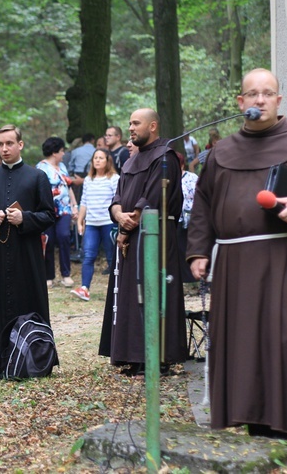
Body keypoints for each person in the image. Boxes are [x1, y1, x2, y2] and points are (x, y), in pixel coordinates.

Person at [187, 68, 287, 442]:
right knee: (242, 343)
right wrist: (197, 251)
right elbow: (203, 205)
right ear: (240, 103)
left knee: (286, 337)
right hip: (234, 265)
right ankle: (249, 416)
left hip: (285, 259)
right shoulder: (221, 153)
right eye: (252, 94)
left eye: (267, 93)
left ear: (278, 101)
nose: (259, 100)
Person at [98, 108, 187, 376]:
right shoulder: (129, 161)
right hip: (131, 235)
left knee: (153, 291)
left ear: (153, 126)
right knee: (129, 295)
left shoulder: (165, 157)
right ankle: (134, 356)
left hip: (156, 236)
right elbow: (117, 197)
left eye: (136, 123)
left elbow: (151, 199)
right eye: (130, 123)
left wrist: (127, 226)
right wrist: (117, 214)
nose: (131, 128)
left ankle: (157, 357)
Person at [0, 125, 55, 370]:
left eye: (9, 143)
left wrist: (25, 218)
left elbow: (49, 215)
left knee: (28, 300)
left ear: (21, 144)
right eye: (0, 144)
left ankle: (33, 358)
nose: (4, 149)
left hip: (27, 255)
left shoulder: (37, 177)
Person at [70, 148, 120, 301]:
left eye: (101, 158)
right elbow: (84, 202)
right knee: (88, 256)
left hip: (108, 223)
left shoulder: (114, 179)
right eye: (95, 158)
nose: (97, 160)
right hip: (91, 223)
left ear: (107, 161)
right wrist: (80, 221)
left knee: (112, 258)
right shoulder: (88, 180)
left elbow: (117, 201)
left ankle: (118, 289)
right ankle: (84, 288)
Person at [36, 137, 77, 288]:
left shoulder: (63, 167)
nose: (63, 154)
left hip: (64, 209)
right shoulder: (40, 168)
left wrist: (74, 206)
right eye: (61, 151)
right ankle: (48, 276)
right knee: (49, 240)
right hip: (47, 210)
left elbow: (68, 187)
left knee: (64, 236)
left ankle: (66, 274)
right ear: (54, 152)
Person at [176, 152, 198, 285]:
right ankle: (185, 278)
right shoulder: (168, 179)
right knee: (180, 248)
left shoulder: (192, 178)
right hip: (176, 219)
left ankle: (196, 279)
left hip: (191, 218)